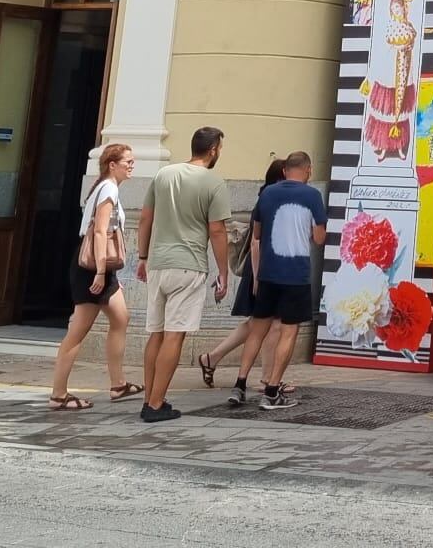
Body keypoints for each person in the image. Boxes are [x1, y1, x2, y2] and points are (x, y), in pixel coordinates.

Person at [136, 125, 231, 424]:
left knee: (156, 333)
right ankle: (156, 403)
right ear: (214, 149)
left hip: (159, 263)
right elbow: (217, 230)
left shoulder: (163, 174)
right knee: (174, 336)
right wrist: (224, 272)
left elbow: (145, 218)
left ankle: (149, 397)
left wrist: (142, 257)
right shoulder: (214, 183)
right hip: (188, 265)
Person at [45, 143, 138, 410]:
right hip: (92, 267)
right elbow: (99, 232)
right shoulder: (108, 188)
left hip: (102, 267)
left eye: (132, 161)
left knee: (121, 317)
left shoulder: (105, 186)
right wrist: (99, 271)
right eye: (128, 162)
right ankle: (58, 394)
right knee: (78, 331)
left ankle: (118, 384)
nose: (132, 166)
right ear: (112, 165)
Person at [197, 156, 287, 403]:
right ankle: (268, 379)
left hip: (263, 267)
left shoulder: (269, 194)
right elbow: (258, 241)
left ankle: (212, 358)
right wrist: (258, 277)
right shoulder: (272, 197)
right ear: (283, 175)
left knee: (256, 324)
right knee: (271, 325)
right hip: (263, 268)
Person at [249, 151, 327, 410]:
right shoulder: (313, 196)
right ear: (308, 170)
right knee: (288, 331)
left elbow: (256, 234)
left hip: (269, 272)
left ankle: (241, 383)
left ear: (284, 170)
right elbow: (318, 238)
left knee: (258, 329)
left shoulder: (268, 193)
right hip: (296, 274)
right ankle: (272, 389)